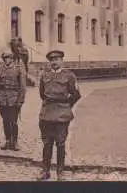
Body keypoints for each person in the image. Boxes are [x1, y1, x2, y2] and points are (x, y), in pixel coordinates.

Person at [37, 50, 81, 181]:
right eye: (52, 60)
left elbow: (76, 95)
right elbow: (41, 94)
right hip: (46, 113)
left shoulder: (69, 76)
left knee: (61, 143)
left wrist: (66, 106)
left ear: (62, 60)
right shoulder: (44, 75)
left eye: (57, 59)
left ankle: (60, 171)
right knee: (47, 143)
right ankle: (45, 171)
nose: (54, 62)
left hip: (62, 114)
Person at [0, 50, 26, 151]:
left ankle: (15, 142)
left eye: (9, 58)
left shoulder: (18, 69)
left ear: (12, 59)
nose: (7, 60)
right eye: (5, 58)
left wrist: (20, 100)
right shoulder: (0, 70)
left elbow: (22, 86)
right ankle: (7, 140)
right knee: (5, 121)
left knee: (13, 121)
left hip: (14, 99)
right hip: (3, 99)